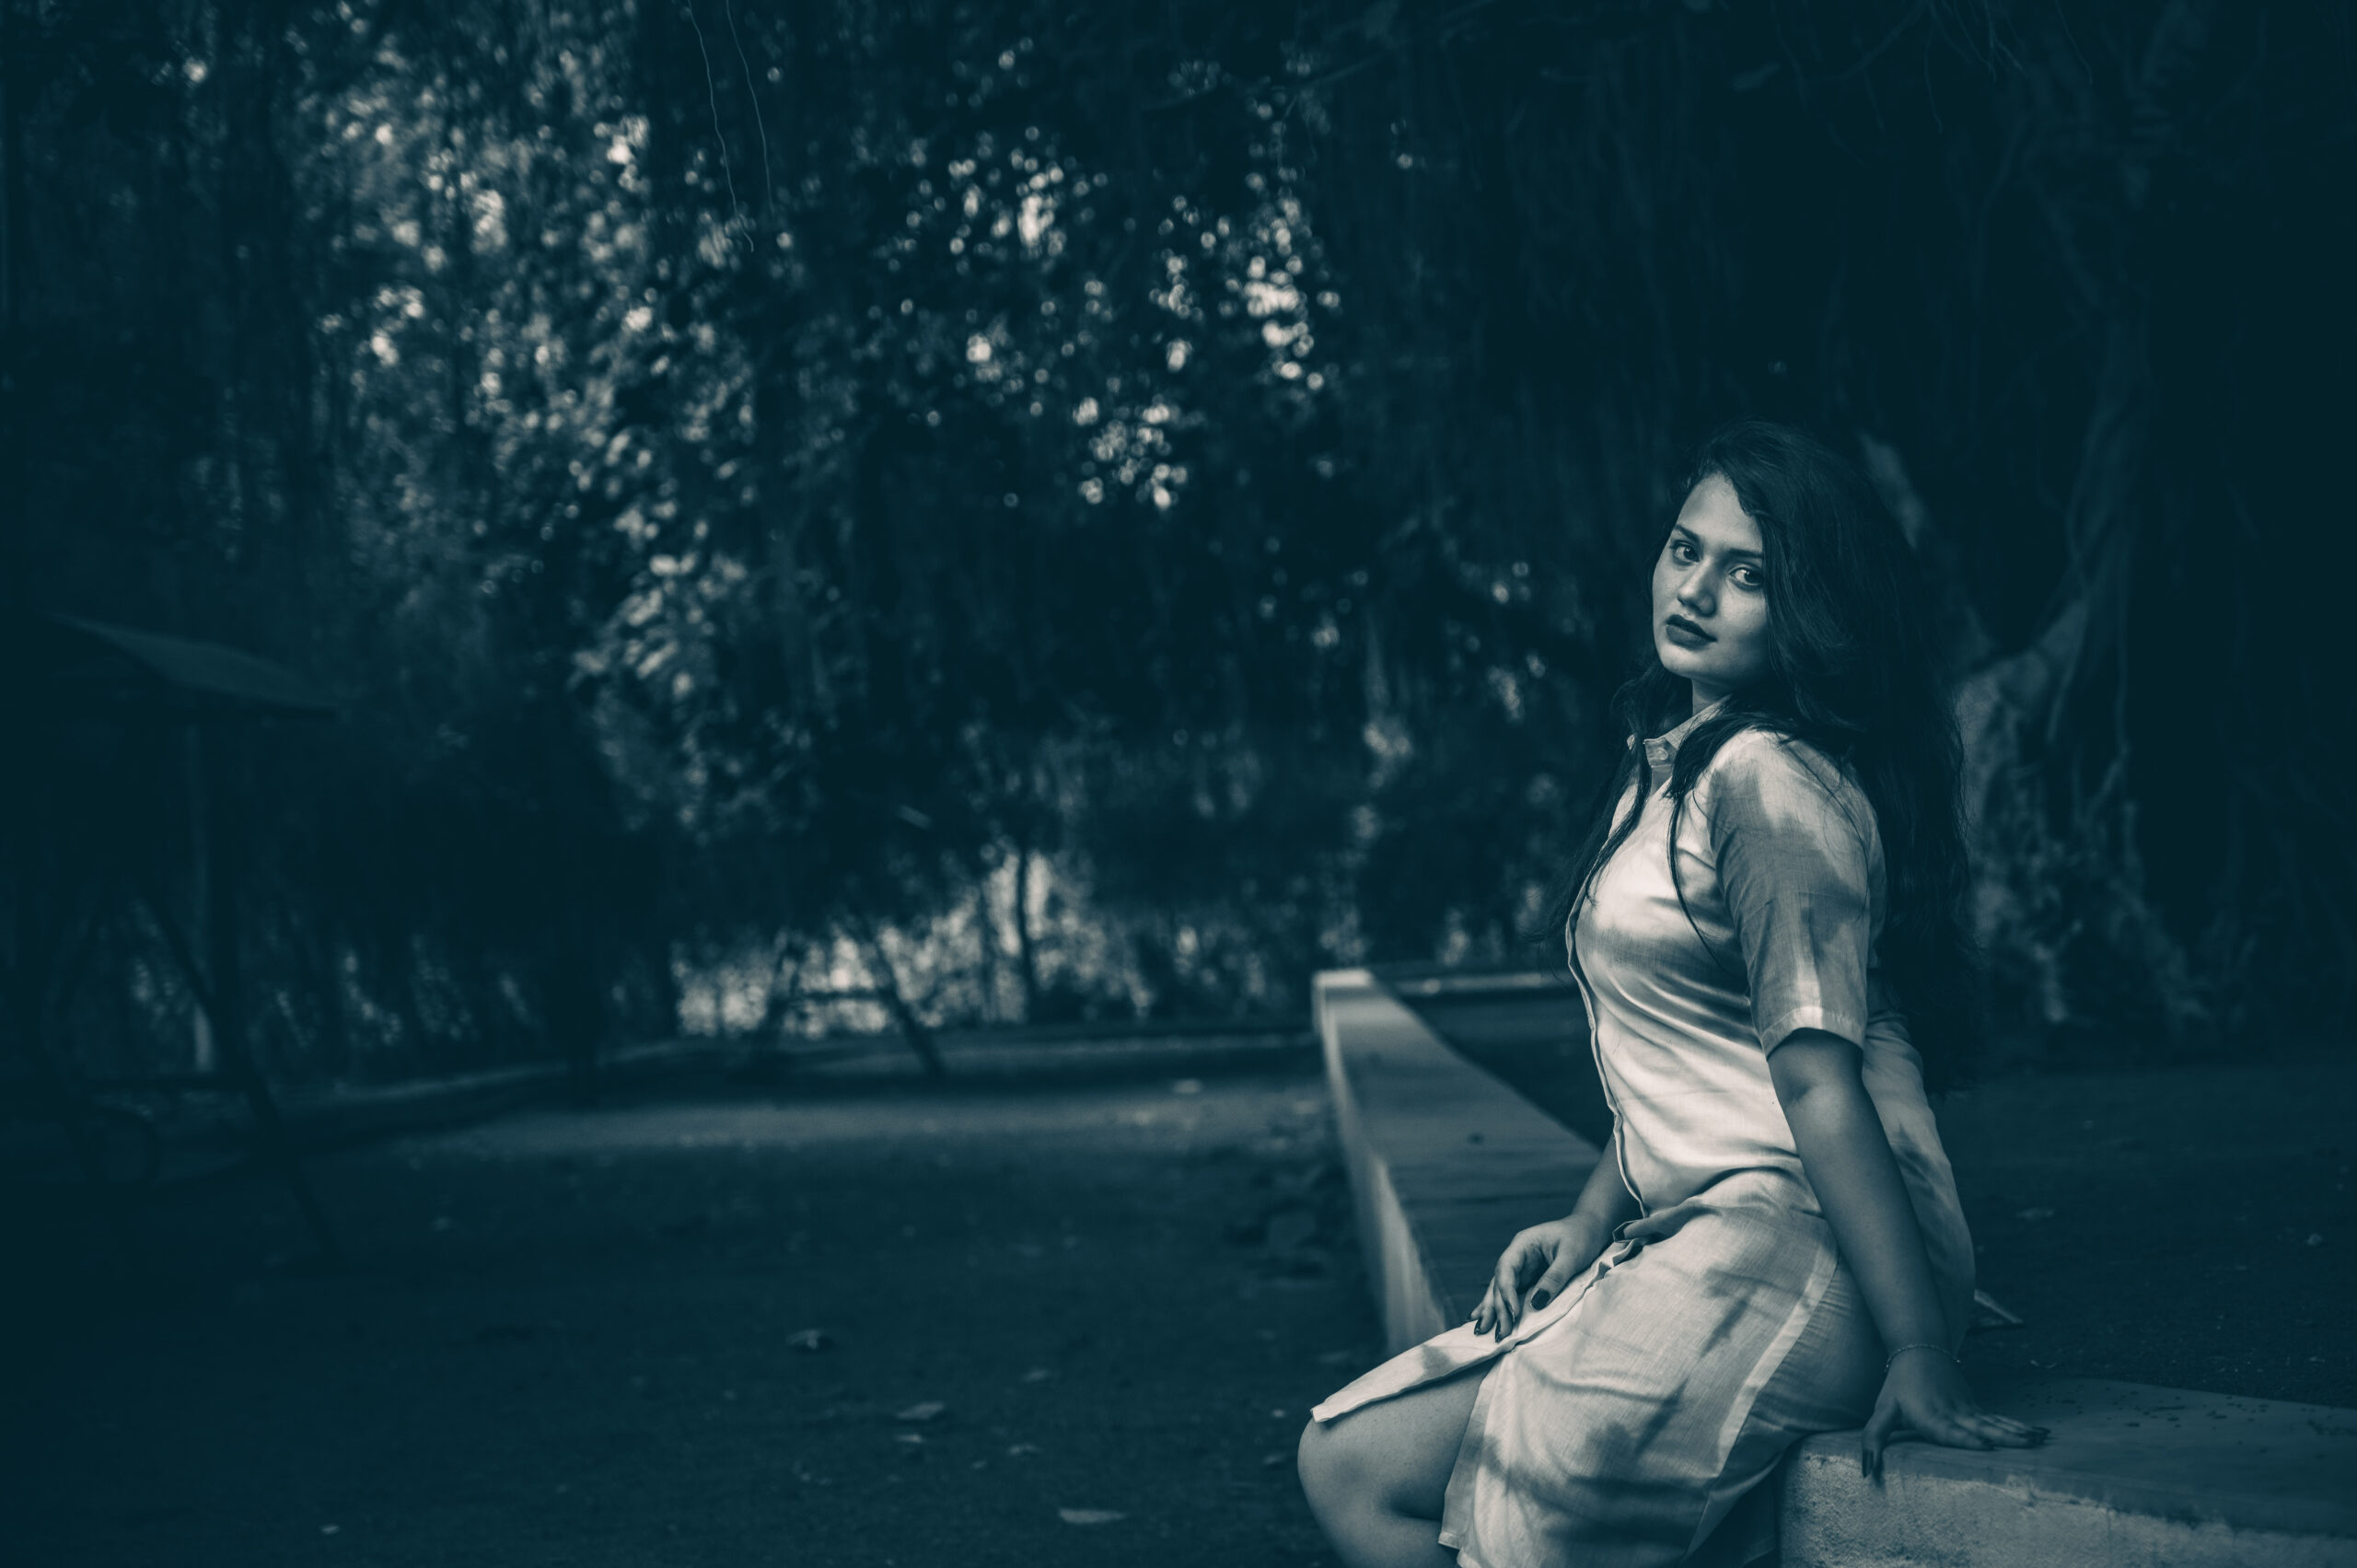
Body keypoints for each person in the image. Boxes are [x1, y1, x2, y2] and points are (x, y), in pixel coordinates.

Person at [1295, 422, 2046, 1568]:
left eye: (1749, 573)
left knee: (1473, 1509)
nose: (1695, 588)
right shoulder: (1672, 762)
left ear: (1812, 610)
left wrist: (1917, 1348)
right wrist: (1590, 1219)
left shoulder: (1768, 784)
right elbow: (1691, 1051)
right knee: (1348, 1461)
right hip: (1704, 1229)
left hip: (1807, 1241)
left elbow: (1813, 1080)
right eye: (1683, 549)